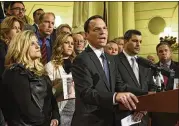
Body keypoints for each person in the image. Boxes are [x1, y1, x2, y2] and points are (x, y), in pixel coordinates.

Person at [71, 15, 139, 126]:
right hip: (90, 121)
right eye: (97, 29)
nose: (103, 32)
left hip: (109, 120)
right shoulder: (81, 59)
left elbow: (120, 86)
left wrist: (146, 95)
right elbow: (86, 93)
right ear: (87, 35)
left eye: (105, 28)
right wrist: (114, 96)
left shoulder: (111, 59)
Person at [0, 30, 60, 126]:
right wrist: (46, 122)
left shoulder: (42, 72)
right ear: (22, 47)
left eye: (37, 42)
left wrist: (55, 117)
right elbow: (27, 109)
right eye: (32, 43)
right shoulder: (14, 72)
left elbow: (51, 99)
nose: (38, 46)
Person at [115, 29, 157, 126]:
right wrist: (146, 94)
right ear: (125, 41)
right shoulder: (114, 61)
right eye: (135, 41)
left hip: (143, 116)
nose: (138, 44)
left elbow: (152, 86)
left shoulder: (144, 63)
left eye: (140, 41)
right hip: (124, 115)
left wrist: (144, 108)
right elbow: (119, 86)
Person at [45, 33, 76, 126]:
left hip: (76, 109)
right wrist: (62, 85)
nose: (70, 46)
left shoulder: (78, 65)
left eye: (72, 43)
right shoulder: (50, 66)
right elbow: (48, 93)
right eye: (66, 42)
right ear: (59, 45)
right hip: (60, 109)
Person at [150, 42, 179, 126]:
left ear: (170, 52)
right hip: (157, 112)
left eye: (166, 50)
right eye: (160, 51)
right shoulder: (151, 69)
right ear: (157, 54)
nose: (163, 53)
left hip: (175, 110)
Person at [0, 16, 24, 85]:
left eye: (19, 28)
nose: (18, 31)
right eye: (14, 28)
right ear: (6, 31)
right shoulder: (1, 47)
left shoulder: (20, 47)